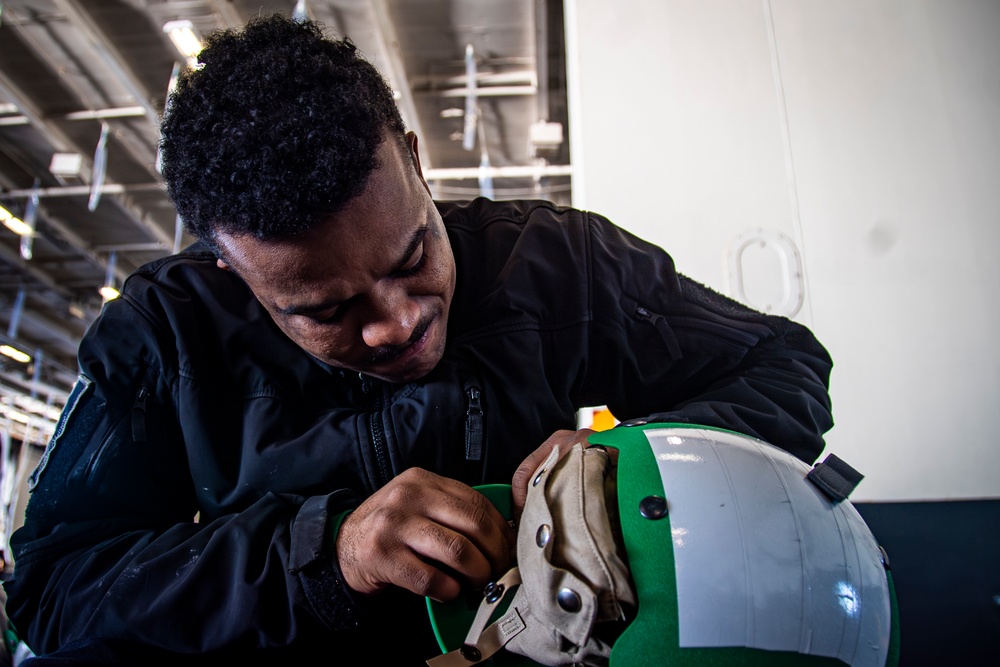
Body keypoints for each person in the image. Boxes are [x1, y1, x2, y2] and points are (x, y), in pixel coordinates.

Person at [1, 13, 833, 666]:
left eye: (414, 255)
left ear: (413, 157)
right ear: (231, 273)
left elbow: (786, 364)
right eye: (327, 310)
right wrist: (327, 551)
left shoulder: (558, 262)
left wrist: (632, 462)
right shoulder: (163, 333)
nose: (399, 321)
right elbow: (54, 585)